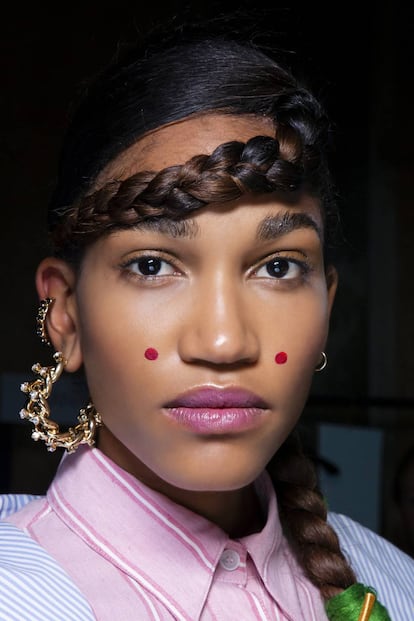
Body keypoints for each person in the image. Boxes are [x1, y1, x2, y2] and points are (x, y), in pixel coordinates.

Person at [1, 15, 413, 621]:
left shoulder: (394, 585)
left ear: (326, 305)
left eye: (277, 268)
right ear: (65, 314)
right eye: (151, 265)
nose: (223, 342)